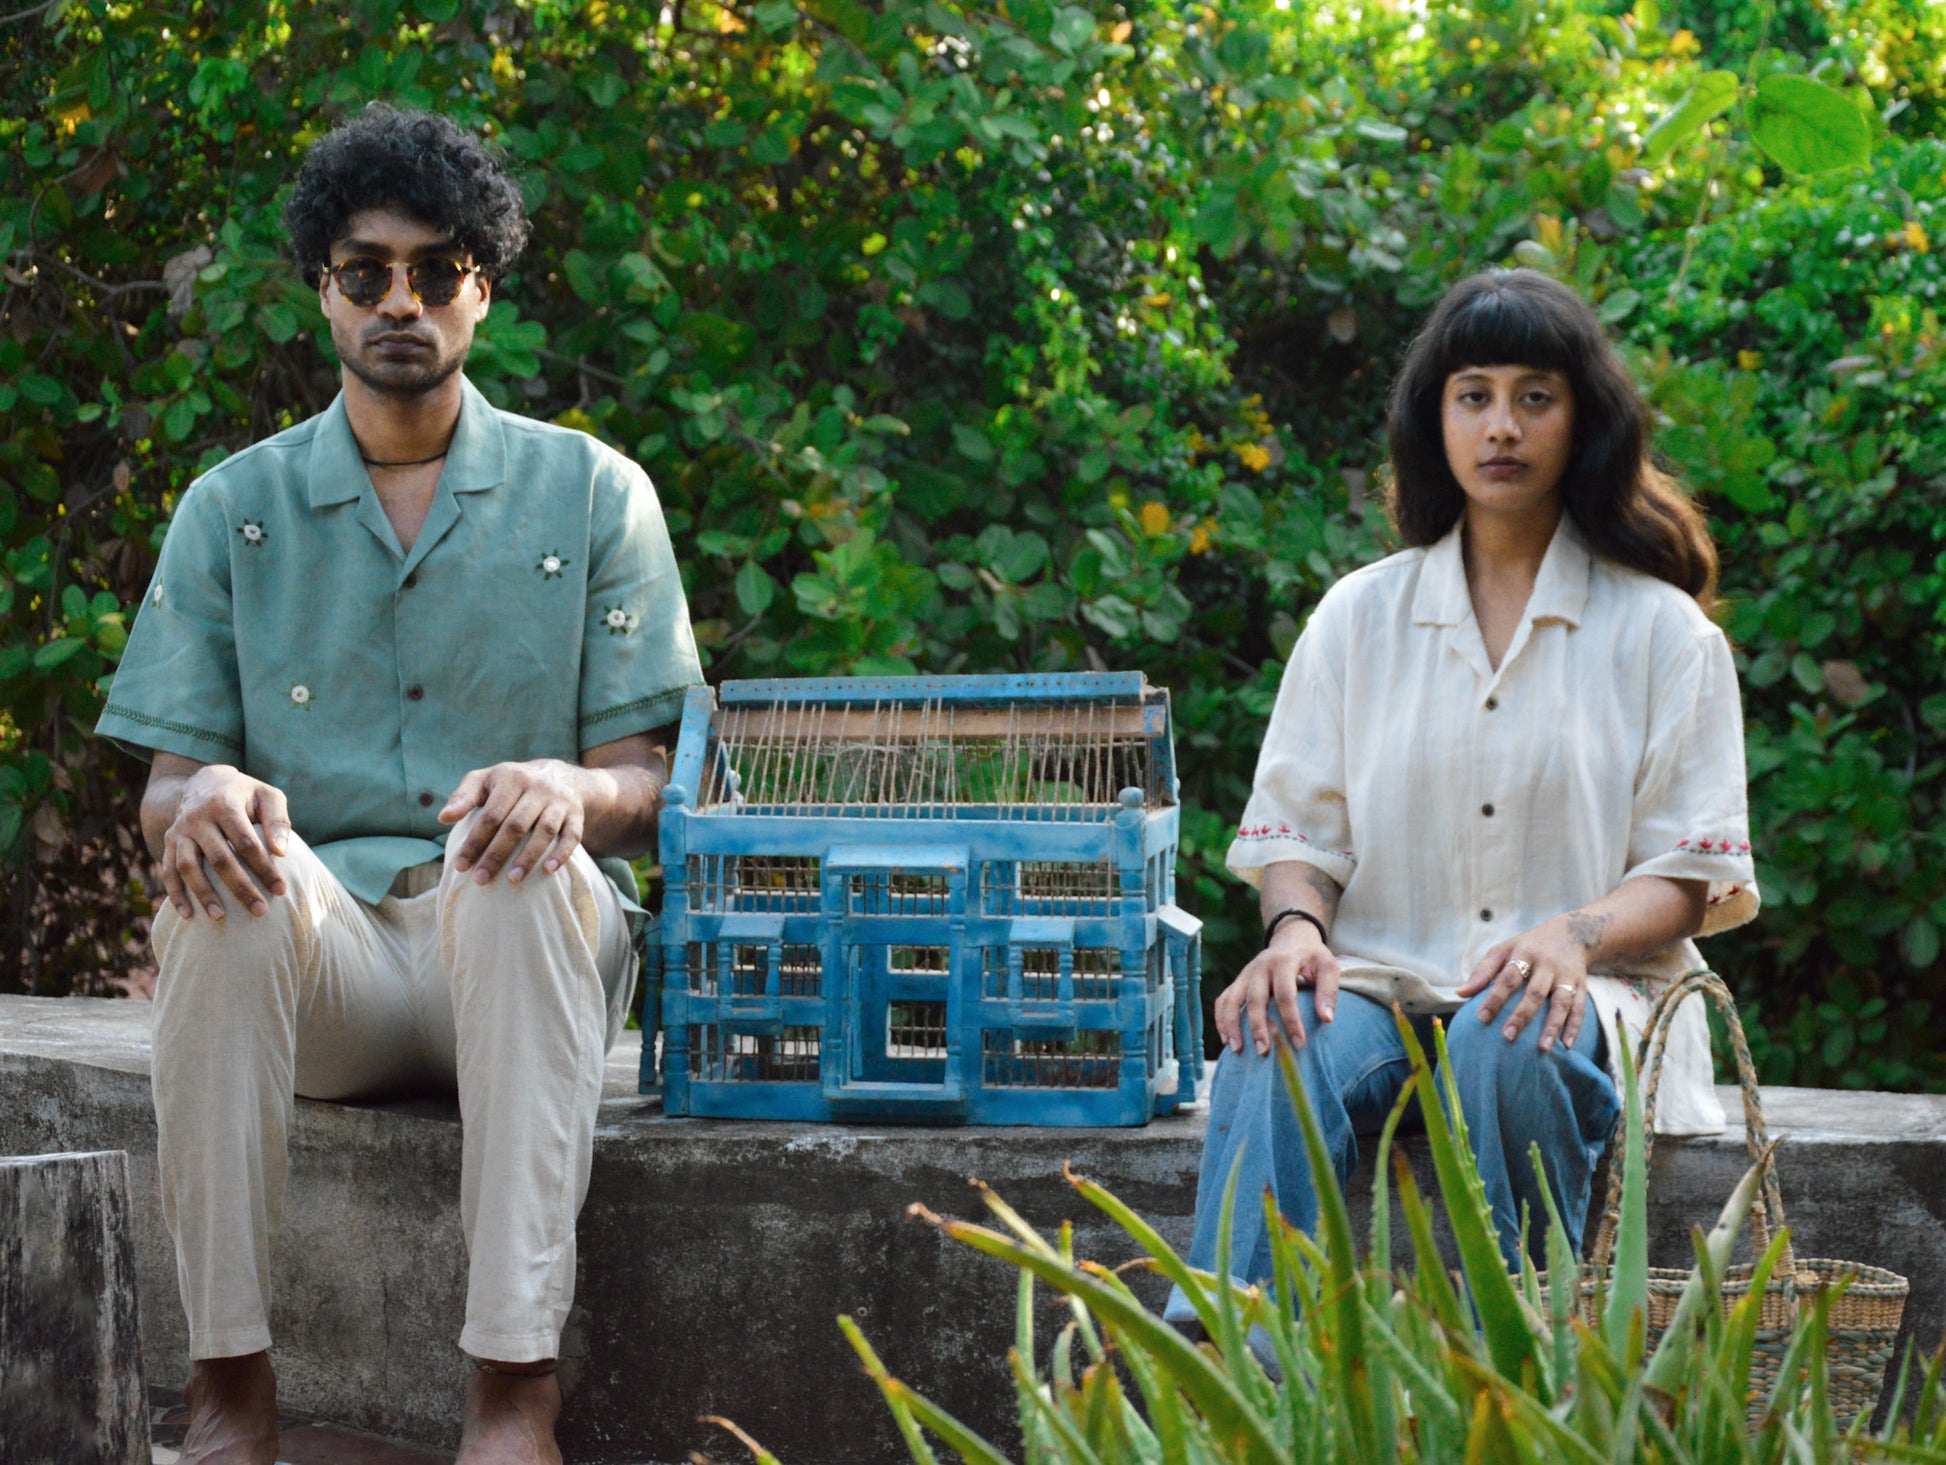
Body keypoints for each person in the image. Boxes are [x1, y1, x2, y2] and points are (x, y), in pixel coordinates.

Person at [95, 105, 703, 1465]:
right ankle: (229, 1388)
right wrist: (196, 803)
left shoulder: (594, 493)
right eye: (366, 271)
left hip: (524, 946)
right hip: (339, 971)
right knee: (222, 875)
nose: (401, 302)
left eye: (437, 271)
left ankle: (508, 1395)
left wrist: (566, 784)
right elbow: (162, 789)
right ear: (324, 287)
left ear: (482, 287)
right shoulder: (231, 510)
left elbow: (647, 786)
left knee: (515, 856)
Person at [1177, 268, 1758, 1307]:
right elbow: (1297, 833)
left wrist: (1569, 934)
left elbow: (1691, 870)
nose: (1501, 426)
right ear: (1433, 419)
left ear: (1579, 419)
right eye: (1472, 394)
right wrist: (1294, 933)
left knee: (1507, 1027)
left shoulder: (1664, 635)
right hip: (1384, 989)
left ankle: (1519, 1368)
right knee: (1273, 1030)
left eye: (1533, 395)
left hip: (1589, 999)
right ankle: (1233, 1368)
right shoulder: (1356, 617)